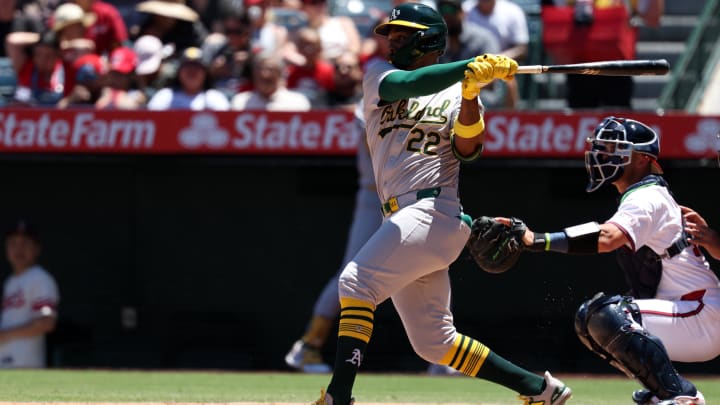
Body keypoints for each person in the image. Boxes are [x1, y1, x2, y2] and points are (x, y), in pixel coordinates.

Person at [312, 3, 572, 405]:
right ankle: (540, 390)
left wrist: (470, 92)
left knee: (356, 283)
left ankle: (338, 397)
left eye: (402, 37)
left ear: (427, 40)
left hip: (433, 210)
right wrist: (470, 67)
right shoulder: (378, 75)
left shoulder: (457, 90)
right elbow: (409, 85)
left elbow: (469, 150)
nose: (392, 43)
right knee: (435, 343)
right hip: (401, 220)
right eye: (391, 36)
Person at [502, 116, 719, 405]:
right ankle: (665, 390)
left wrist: (537, 239)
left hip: (701, 314)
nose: (602, 155)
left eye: (614, 150)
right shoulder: (643, 193)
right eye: (601, 148)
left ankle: (678, 394)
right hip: (690, 313)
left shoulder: (648, 196)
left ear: (642, 159)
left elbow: (606, 238)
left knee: (608, 315)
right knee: (590, 319)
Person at [285, 104, 381, 374]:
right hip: (375, 198)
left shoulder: (422, 97)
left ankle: (440, 358)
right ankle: (308, 346)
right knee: (350, 274)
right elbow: (373, 133)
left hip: (411, 199)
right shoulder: (374, 98)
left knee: (430, 268)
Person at [0, 220, 60, 368]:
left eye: (25, 243)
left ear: (36, 249)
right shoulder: (10, 282)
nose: (18, 249)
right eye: (13, 243)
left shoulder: (39, 278)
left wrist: (4, 335)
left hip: (25, 364)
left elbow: (46, 322)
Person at [463, 0, 529, 108]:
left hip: (500, 71)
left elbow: (522, 49)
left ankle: (509, 120)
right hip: (469, 67)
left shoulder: (513, 11)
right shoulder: (466, 9)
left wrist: (496, 61)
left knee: (510, 82)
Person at [147, 46, 230, 110]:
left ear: (205, 73)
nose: (192, 71)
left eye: (196, 67)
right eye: (188, 67)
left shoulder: (215, 98)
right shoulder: (165, 96)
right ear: (179, 72)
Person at [230, 52, 310, 111]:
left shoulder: (298, 103)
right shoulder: (240, 103)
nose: (264, 75)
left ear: (280, 74)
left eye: (270, 69)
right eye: (260, 70)